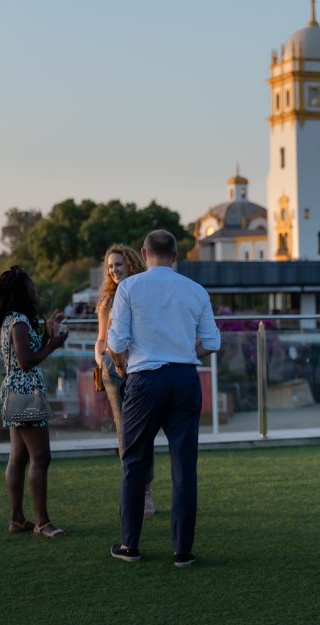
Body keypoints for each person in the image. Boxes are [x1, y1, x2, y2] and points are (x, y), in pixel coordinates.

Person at [108, 230, 221, 566]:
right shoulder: (196, 290)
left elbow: (116, 344)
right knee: (184, 468)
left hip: (144, 378)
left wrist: (122, 367)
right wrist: (187, 352)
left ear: (144, 254)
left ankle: (130, 546)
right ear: (175, 255)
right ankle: (182, 552)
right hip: (185, 378)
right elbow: (212, 342)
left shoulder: (129, 288)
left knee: (134, 463)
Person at [0, 266, 69, 538]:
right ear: (21, 292)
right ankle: (43, 523)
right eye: (32, 286)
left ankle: (17, 519)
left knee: (19, 457)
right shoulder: (20, 322)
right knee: (41, 457)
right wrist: (53, 346)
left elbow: (27, 354)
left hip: (14, 391)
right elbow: (26, 361)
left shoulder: (12, 319)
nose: (36, 290)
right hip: (26, 393)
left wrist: (48, 337)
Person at [94, 244, 153, 517]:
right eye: (110, 266)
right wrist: (102, 360)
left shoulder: (143, 294)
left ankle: (146, 492)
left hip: (141, 368)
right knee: (125, 433)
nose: (114, 270)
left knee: (146, 431)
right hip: (114, 370)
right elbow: (102, 340)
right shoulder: (107, 302)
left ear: (131, 264)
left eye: (118, 264)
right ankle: (136, 495)